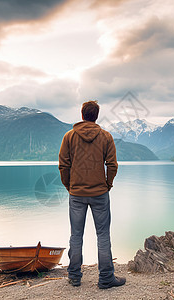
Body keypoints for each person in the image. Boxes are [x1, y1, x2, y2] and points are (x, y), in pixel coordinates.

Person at [58, 100, 126, 289]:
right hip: (100, 193)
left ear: (82, 114)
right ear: (96, 115)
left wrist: (69, 186)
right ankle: (106, 278)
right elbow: (112, 165)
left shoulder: (69, 137)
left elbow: (63, 165)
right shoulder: (106, 137)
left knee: (76, 235)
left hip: (76, 193)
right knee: (103, 235)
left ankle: (74, 276)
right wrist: (107, 184)